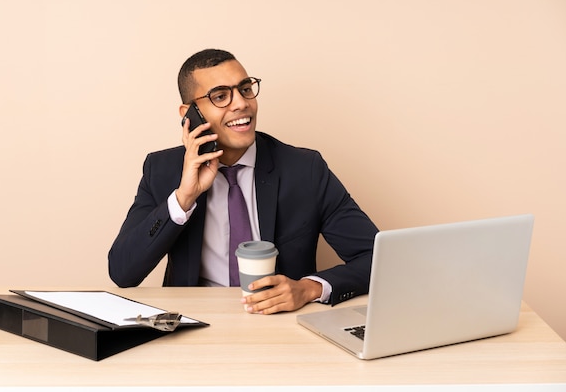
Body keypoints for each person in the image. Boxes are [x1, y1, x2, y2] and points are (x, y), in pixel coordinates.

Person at [108, 49, 379, 314]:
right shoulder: (163, 170)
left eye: (245, 89)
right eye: (221, 96)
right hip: (195, 325)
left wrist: (309, 288)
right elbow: (122, 272)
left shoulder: (305, 169)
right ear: (189, 114)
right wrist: (183, 198)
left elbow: (378, 258)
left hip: (282, 328)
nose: (241, 103)